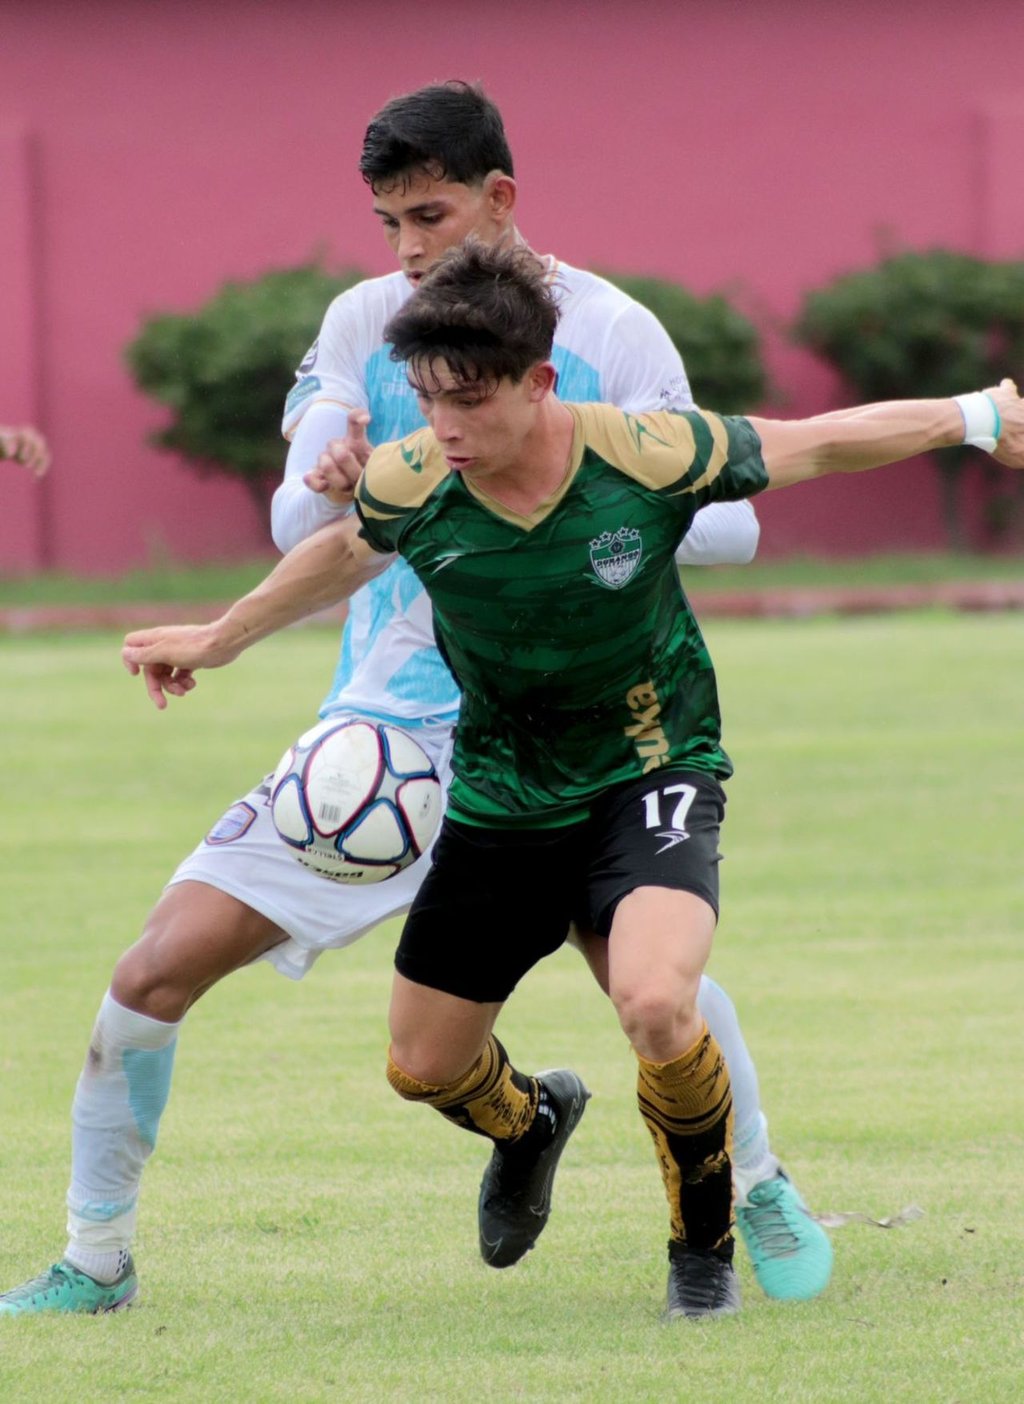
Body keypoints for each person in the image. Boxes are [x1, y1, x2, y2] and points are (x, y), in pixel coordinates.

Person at [0, 82, 822, 1320]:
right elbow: (302, 529)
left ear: (500, 198)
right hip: (375, 738)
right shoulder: (363, 322)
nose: (409, 250)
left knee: (656, 988)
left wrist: (568, 483)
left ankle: (751, 1186)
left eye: (430, 215)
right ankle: (96, 1255)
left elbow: (734, 529)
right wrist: (337, 480)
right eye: (389, 222)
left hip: (573, 734)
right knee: (152, 973)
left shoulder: (615, 333)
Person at [112, 242, 1024, 1320]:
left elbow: (815, 442)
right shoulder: (418, 480)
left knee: (652, 999)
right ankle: (532, 1122)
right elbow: (344, 551)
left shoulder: (644, 453)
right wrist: (219, 638)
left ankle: (703, 1247)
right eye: (427, 402)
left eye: (470, 401)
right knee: (422, 1065)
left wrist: (976, 413)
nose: (444, 428)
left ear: (540, 384)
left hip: (648, 771)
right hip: (501, 796)